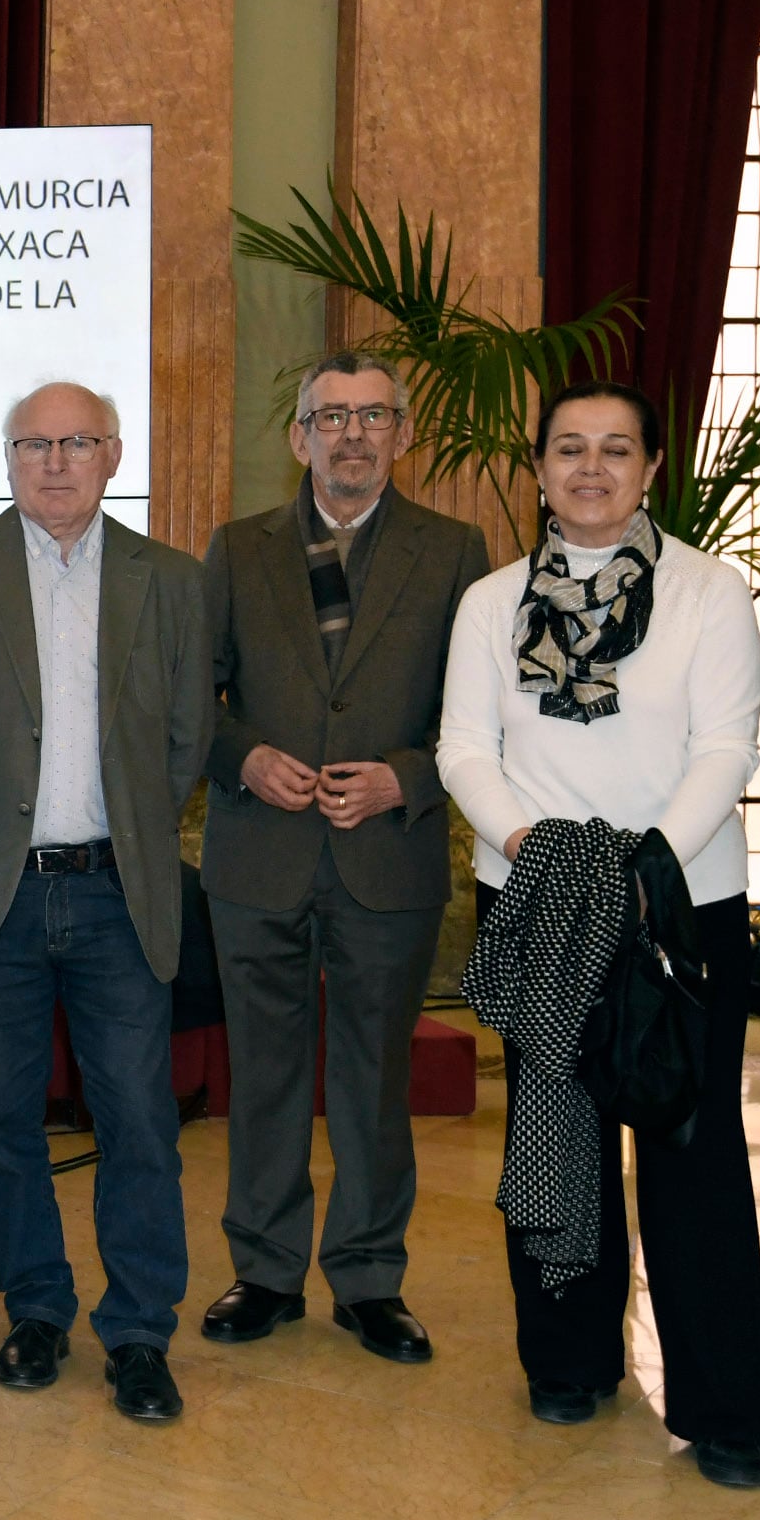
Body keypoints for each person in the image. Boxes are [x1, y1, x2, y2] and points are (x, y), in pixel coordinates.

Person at [439, 383, 760, 1487]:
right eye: (570, 450)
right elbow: (462, 752)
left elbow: (727, 748)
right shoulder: (491, 602)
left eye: (615, 450)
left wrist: (641, 867)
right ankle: (570, 1361)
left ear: (649, 467)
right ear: (538, 470)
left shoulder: (707, 594)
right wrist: (546, 853)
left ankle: (723, 1406)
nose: (591, 468)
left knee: (690, 1145)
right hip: (535, 888)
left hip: (679, 900)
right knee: (555, 1132)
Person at [0, 382, 209, 1423]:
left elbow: (183, 740)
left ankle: (138, 1332)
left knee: (138, 1120)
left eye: (76, 441)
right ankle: (35, 1309)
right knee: (1, 1119)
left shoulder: (169, 580)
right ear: (6, 459)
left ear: (113, 454)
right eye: (33, 444)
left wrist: (121, 831)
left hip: (118, 895)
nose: (54, 461)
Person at [195, 352, 488, 1364]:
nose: (352, 435)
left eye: (373, 417)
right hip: (259, 858)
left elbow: (476, 715)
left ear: (402, 436)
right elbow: (201, 700)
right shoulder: (237, 551)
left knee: (373, 1079)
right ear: (299, 438)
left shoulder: (455, 553)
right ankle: (267, 1269)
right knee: (265, 1075)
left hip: (387, 860)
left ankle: (368, 1278)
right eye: (331, 417)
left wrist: (406, 777)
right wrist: (246, 759)